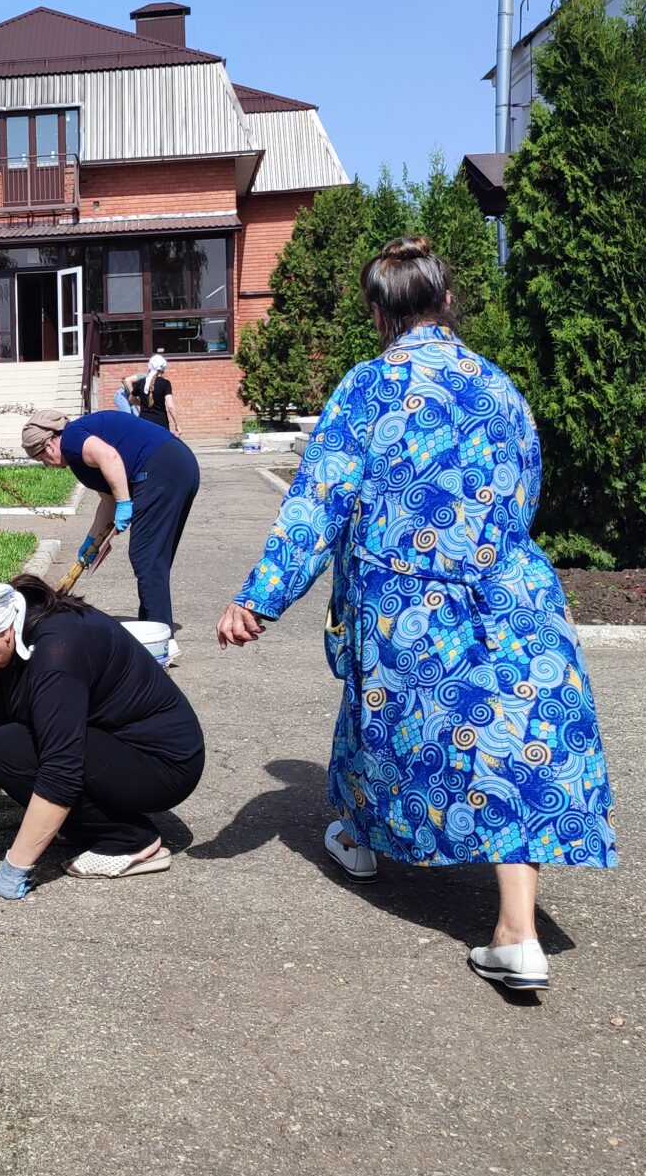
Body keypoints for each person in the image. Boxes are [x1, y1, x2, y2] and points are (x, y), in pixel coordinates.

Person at [215, 237, 617, 994]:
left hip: (409, 601)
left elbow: (318, 501)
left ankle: (364, 843)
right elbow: (526, 487)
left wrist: (259, 597)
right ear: (447, 301)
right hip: (511, 589)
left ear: (378, 312)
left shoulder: (369, 386)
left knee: (383, 725)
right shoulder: (499, 386)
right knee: (517, 743)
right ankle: (517, 933)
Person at [0, 561, 205, 896]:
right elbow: (6, 734)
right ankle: (80, 820)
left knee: (8, 748)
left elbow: (59, 770)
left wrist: (16, 865)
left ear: (1, 631)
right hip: (114, 745)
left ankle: (128, 839)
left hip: (162, 764)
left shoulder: (57, 654)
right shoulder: (11, 626)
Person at [21, 407, 201, 629]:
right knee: (152, 557)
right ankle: (151, 625)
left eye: (41, 459)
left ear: (48, 446)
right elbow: (108, 501)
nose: (47, 465)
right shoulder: (78, 448)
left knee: (145, 556)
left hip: (162, 469)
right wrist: (90, 542)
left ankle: (160, 634)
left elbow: (110, 457)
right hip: (178, 466)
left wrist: (125, 502)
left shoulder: (72, 438)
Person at [126, 355, 178, 431]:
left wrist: (144, 404)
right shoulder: (165, 383)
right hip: (161, 424)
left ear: (149, 367)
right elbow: (170, 406)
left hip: (144, 423)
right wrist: (177, 424)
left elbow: (131, 399)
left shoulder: (141, 382)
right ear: (163, 369)